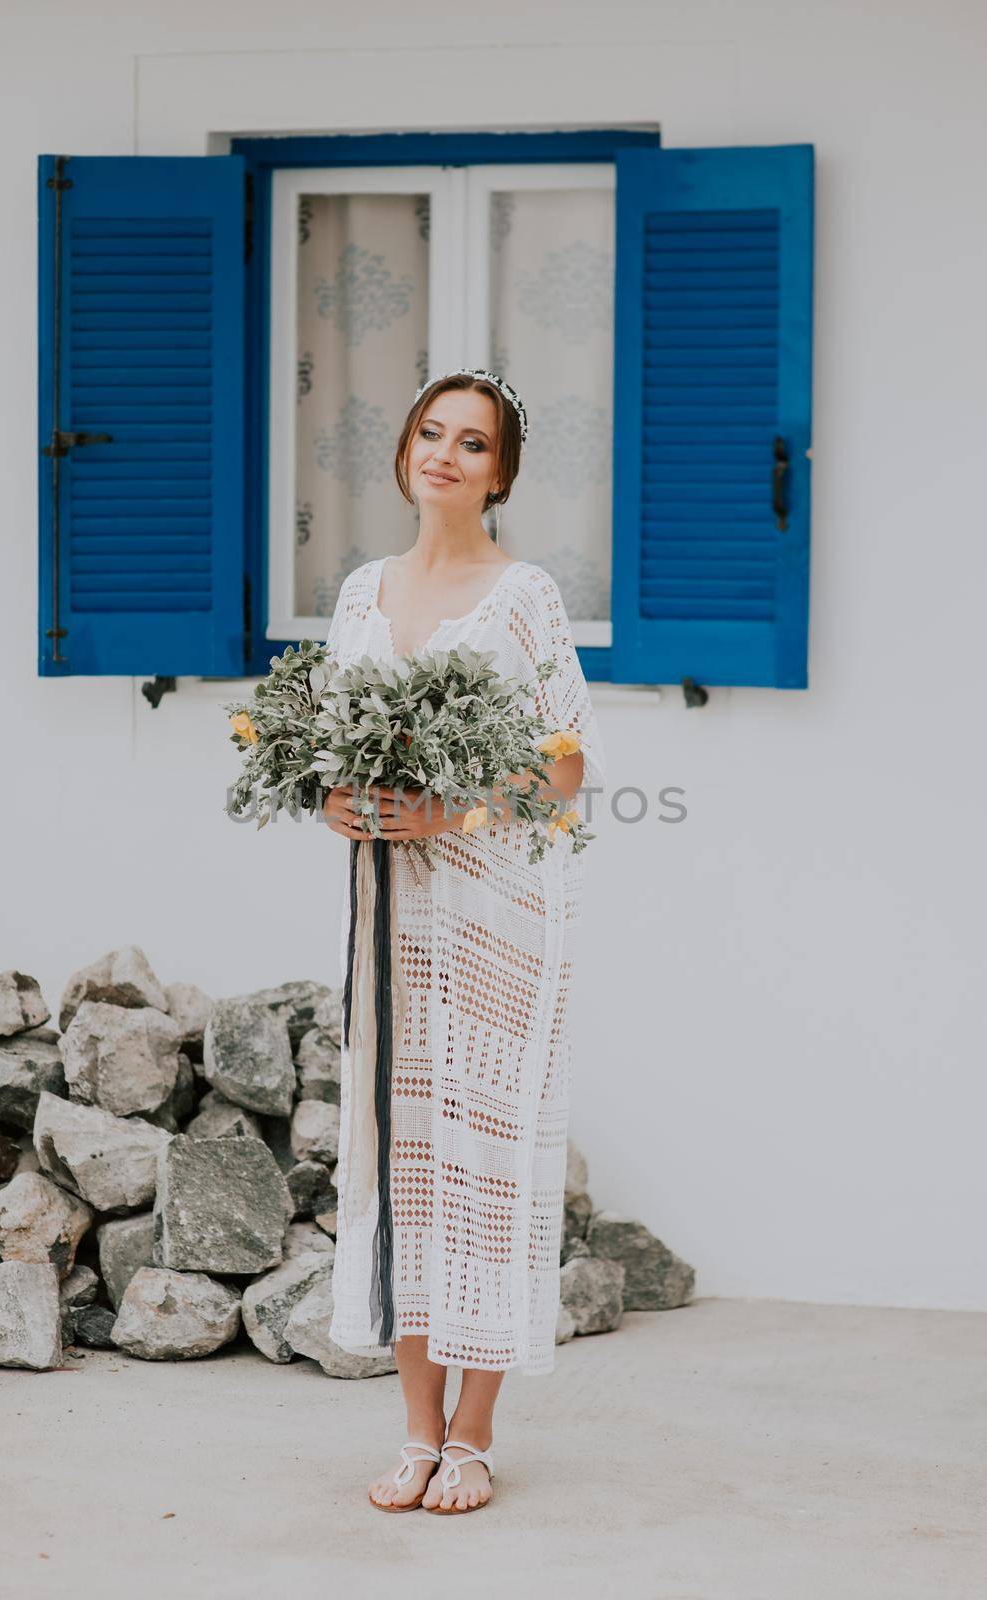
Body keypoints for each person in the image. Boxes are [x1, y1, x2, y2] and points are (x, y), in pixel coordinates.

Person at [320, 370, 607, 1514]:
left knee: (487, 1154)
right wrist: (334, 801)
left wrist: (453, 811)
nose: (444, 453)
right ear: (405, 451)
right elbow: (334, 749)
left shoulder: (523, 595)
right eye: (429, 433)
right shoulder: (358, 593)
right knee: (402, 1156)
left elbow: (569, 764)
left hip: (497, 908)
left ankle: (475, 1434)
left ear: (500, 471)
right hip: (391, 911)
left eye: (471, 441)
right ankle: (413, 1429)